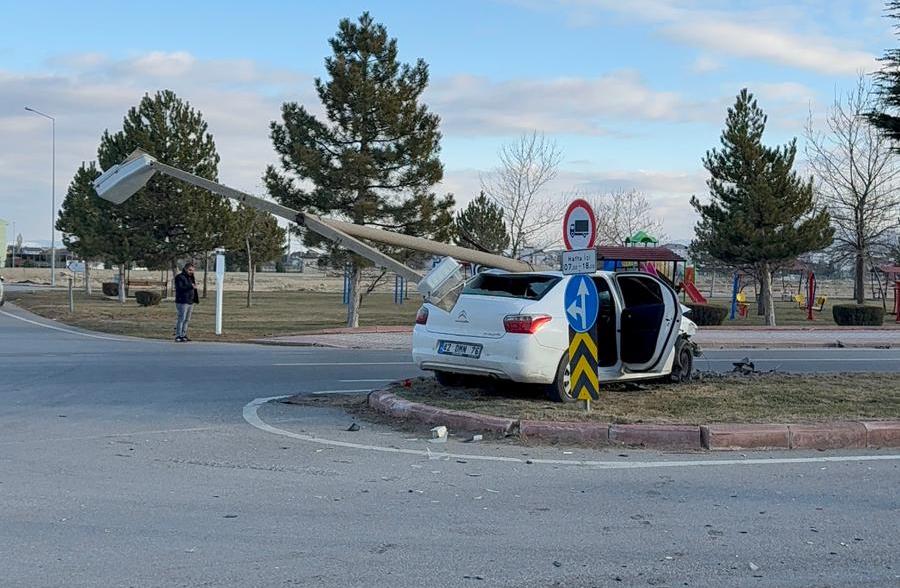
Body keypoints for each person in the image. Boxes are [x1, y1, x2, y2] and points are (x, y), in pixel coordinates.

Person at [174, 262, 199, 342]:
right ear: (185, 269)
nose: (191, 272)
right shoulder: (180, 277)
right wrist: (190, 286)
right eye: (190, 270)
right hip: (182, 301)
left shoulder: (191, 277)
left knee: (187, 319)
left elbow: (193, 288)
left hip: (190, 301)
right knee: (181, 318)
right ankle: (178, 335)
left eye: (193, 270)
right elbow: (180, 288)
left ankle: (183, 334)